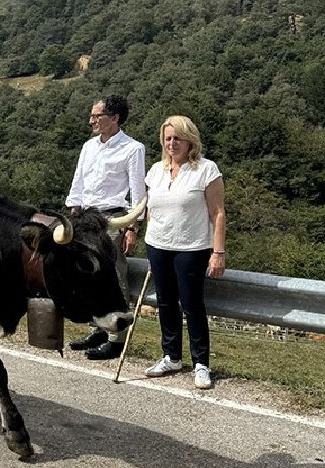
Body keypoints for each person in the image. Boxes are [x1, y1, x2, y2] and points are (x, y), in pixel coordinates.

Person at [143, 115, 226, 389]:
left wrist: (218, 252)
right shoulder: (156, 170)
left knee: (192, 305)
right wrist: (149, 242)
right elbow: (151, 210)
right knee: (165, 302)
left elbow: (218, 213)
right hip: (158, 246)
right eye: (168, 138)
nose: (172, 143)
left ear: (190, 140)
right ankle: (171, 357)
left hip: (191, 248)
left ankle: (201, 363)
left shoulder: (206, 169)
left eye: (178, 138)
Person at [65, 95, 146, 360]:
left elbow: (137, 191)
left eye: (96, 116)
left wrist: (133, 228)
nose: (91, 120)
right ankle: (97, 329)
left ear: (114, 118)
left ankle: (116, 338)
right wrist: (73, 214)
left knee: (114, 273)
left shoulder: (132, 148)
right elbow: (79, 181)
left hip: (112, 218)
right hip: (85, 218)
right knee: (88, 274)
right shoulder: (89, 146)